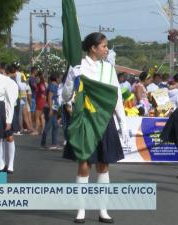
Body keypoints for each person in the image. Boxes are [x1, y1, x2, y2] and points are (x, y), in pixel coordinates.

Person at [62, 32, 129, 223]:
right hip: (85, 119)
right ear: (93, 48)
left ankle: (102, 210)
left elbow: (115, 97)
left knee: (104, 164)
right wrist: (70, 78)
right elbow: (66, 97)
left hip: (104, 120)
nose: (107, 49)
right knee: (84, 164)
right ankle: (80, 210)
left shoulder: (108, 69)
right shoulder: (78, 67)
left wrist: (123, 122)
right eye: (104, 46)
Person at [41, 73, 61, 149]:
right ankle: (44, 143)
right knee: (48, 126)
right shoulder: (53, 85)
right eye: (59, 78)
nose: (59, 79)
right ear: (56, 78)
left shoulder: (54, 85)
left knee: (55, 126)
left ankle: (54, 143)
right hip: (51, 108)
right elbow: (50, 97)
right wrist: (50, 109)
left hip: (54, 108)